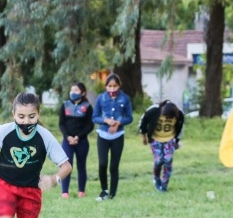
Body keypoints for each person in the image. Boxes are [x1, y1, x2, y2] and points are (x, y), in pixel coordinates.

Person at [92, 73, 133, 201]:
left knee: (114, 166)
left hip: (118, 136)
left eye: (115, 86)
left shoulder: (125, 98)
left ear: (119, 86)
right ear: (106, 86)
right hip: (103, 135)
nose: (112, 89)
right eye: (109, 86)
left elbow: (129, 117)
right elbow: (94, 117)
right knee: (102, 164)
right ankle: (104, 190)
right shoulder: (101, 98)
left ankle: (112, 194)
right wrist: (105, 120)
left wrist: (118, 123)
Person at [139, 100, 185, 192]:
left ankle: (164, 185)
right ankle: (156, 178)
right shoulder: (154, 110)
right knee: (159, 161)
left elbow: (180, 128)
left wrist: (177, 141)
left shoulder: (179, 114)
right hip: (155, 139)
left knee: (168, 161)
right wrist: (144, 137)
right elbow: (143, 122)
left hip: (170, 140)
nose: (167, 118)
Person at [58, 82, 93, 198]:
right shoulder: (65, 105)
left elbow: (90, 125)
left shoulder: (87, 107)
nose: (73, 92)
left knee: (81, 166)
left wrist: (78, 136)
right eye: (71, 90)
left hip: (81, 141)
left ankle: (81, 191)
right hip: (67, 141)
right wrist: (67, 136)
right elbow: (61, 124)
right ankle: (65, 192)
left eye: (76, 90)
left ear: (83, 93)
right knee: (66, 165)